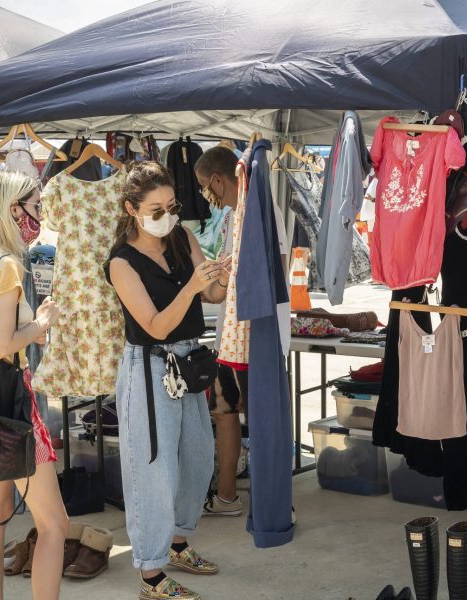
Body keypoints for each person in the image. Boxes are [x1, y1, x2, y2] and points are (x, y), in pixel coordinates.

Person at [105, 161, 226, 600]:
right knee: (152, 469)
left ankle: (177, 544)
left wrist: (221, 275)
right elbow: (154, 326)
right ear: (132, 209)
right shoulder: (121, 263)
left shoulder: (182, 238)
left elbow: (212, 294)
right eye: (156, 209)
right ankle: (151, 574)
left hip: (189, 362)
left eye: (172, 206)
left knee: (197, 458)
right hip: (149, 365)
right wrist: (194, 286)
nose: (167, 215)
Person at [0, 170, 66, 600]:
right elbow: (3, 345)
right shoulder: (6, 265)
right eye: (35, 207)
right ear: (12, 208)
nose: (39, 216)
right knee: (55, 524)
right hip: (10, 400)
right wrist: (41, 324)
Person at [194, 146, 290, 517]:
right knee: (224, 412)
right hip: (229, 339)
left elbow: (275, 272)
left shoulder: (262, 212)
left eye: (206, 186)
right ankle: (227, 496)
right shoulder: (234, 217)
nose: (207, 194)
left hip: (258, 338)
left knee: (262, 420)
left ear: (219, 179)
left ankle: (273, 505)